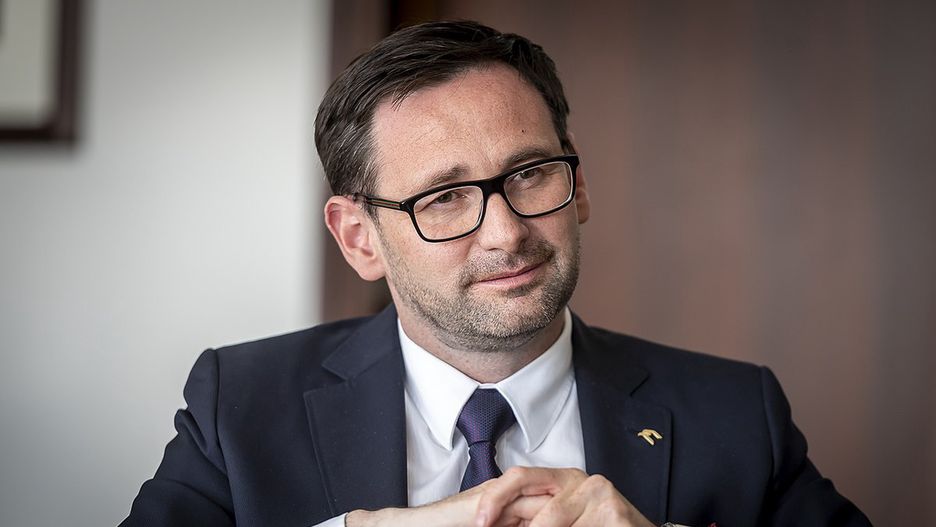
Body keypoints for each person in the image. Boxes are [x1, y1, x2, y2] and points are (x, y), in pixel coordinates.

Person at [121, 20, 871, 527]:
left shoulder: (737, 414)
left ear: (579, 186)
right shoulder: (240, 407)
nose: (507, 232)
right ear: (359, 239)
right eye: (444, 198)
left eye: (531, 173)